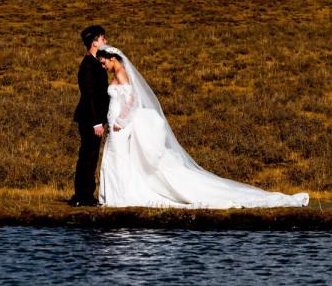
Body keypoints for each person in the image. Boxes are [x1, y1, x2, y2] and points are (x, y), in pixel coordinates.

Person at [96, 47, 309, 209]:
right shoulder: (116, 75)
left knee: (119, 157)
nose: (103, 66)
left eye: (104, 62)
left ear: (113, 59)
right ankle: (115, 196)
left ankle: (120, 196)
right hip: (116, 125)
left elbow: (132, 101)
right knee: (116, 156)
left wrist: (120, 121)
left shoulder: (121, 73)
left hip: (120, 126)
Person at [69, 25, 109, 206]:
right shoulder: (88, 66)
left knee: (90, 155)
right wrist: (96, 122)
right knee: (88, 155)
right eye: (102, 39)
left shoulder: (95, 63)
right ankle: (82, 195)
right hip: (90, 119)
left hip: (93, 118)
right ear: (94, 43)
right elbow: (90, 95)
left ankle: (83, 195)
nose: (105, 41)